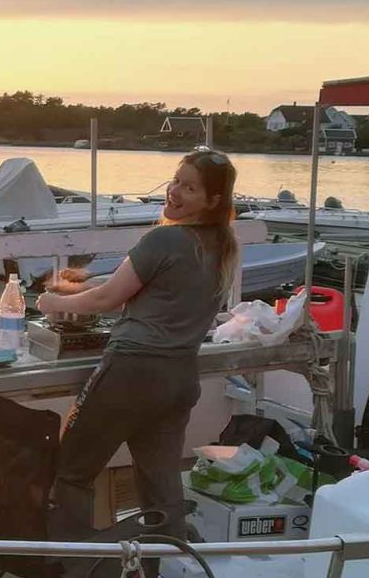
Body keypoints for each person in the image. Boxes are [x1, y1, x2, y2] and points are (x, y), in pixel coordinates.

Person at [35, 147, 239, 542]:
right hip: (178, 380)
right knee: (161, 486)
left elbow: (105, 301)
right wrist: (79, 285)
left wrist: (52, 302)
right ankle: (165, 572)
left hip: (131, 373)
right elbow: (128, 287)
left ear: (213, 200)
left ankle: (69, 567)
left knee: (72, 469)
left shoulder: (164, 238)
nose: (176, 192)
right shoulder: (222, 247)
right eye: (176, 181)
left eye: (190, 188)